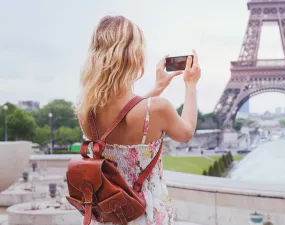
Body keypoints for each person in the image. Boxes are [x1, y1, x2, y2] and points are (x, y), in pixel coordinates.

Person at [75, 15, 201, 225]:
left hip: (107, 215)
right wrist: (191, 84)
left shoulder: (86, 111)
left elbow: (122, 114)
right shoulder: (158, 108)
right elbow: (186, 132)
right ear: (134, 56)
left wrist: (157, 88)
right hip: (145, 214)